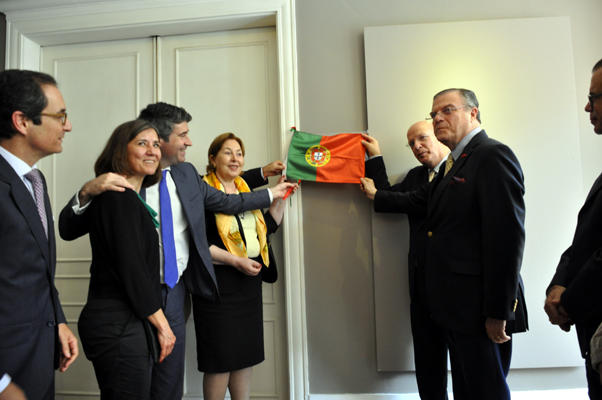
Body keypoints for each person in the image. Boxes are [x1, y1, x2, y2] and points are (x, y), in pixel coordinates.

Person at [59, 102, 295, 400]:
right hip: (126, 300)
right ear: (161, 137)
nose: (189, 141)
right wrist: (87, 191)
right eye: (182, 134)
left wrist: (271, 192)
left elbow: (227, 201)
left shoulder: (185, 175)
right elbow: (69, 230)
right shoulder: (119, 185)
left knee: (168, 387)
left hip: (175, 293)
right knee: (130, 383)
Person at [360, 88, 528, 400]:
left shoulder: (491, 154)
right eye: (434, 113)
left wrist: (498, 310)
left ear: (472, 113)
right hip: (456, 308)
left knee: (485, 391)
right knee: (469, 391)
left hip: (480, 309)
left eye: (447, 110)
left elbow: (507, 239)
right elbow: (410, 199)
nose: (438, 118)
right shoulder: (455, 164)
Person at [77, 120, 176, 398]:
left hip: (126, 319)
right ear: (121, 150)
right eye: (142, 143)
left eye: (156, 144)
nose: (153, 151)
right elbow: (133, 270)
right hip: (117, 321)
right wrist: (163, 326)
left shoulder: (128, 198)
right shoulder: (116, 198)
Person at [0, 69, 79, 400]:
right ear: (22, 121)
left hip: (39, 357)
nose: (68, 126)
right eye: (60, 116)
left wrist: (58, 321)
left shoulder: (35, 181)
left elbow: (35, 270)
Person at [193, 132, 290, 400]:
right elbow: (199, 246)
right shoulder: (202, 192)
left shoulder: (246, 191)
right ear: (212, 159)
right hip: (217, 288)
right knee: (219, 360)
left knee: (244, 357)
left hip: (248, 286)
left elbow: (266, 228)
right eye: (227, 152)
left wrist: (282, 197)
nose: (235, 158)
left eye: (239, 153)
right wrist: (236, 261)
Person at [361, 121, 450, 400]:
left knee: (466, 366)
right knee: (427, 362)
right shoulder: (416, 176)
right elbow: (387, 196)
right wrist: (374, 156)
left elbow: (423, 201)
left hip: (455, 286)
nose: (417, 147)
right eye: (411, 143)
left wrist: (379, 195)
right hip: (421, 284)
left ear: (440, 136)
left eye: (422, 138)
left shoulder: (461, 170)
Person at [545, 58, 602, 399]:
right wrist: (559, 283)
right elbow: (585, 238)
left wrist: (569, 301)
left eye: (594, 97)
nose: (586, 106)